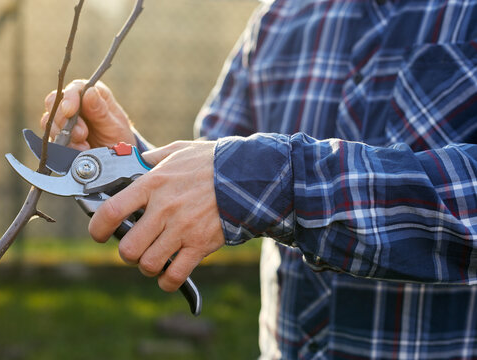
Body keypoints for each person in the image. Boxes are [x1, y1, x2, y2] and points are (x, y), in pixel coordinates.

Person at [41, 0, 477, 358]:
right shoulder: (280, 16)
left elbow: (244, 179)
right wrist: (126, 167)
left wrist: (280, 181)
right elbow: (215, 183)